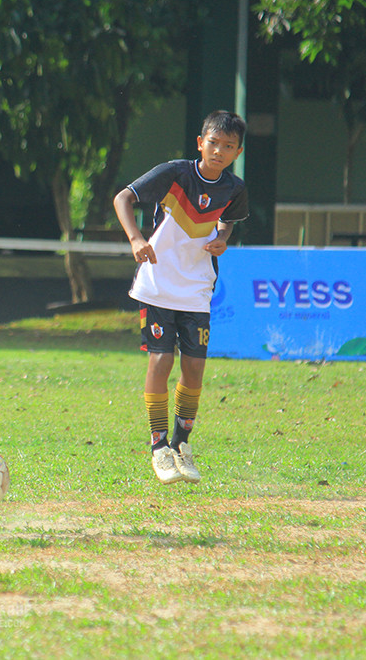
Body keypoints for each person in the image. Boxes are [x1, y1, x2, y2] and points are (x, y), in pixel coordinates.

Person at [113, 110, 248, 486]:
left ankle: (181, 444)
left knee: (194, 368)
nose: (219, 151)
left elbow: (227, 221)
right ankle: (158, 447)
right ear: (200, 142)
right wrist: (136, 239)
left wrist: (222, 238)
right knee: (160, 361)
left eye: (228, 146)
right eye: (214, 143)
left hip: (196, 289)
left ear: (237, 152)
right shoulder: (175, 173)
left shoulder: (235, 190)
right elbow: (123, 198)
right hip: (157, 283)